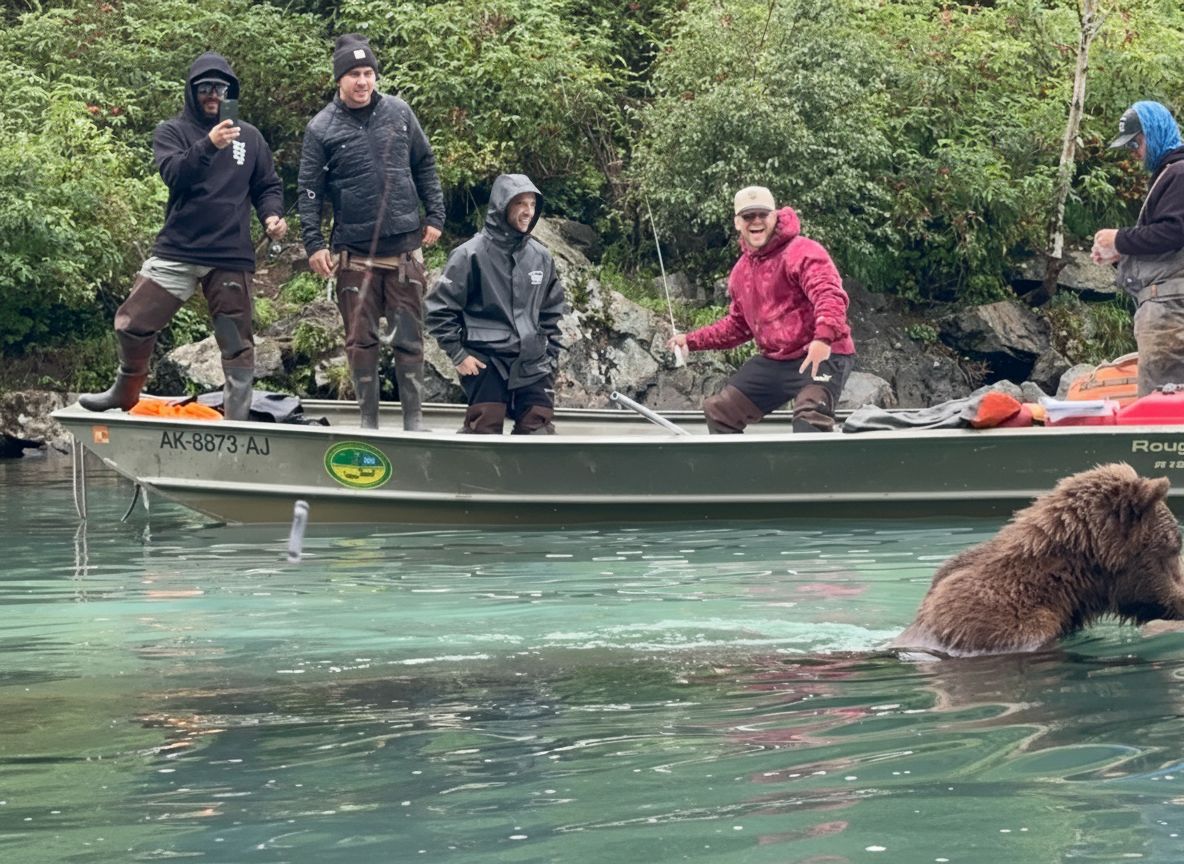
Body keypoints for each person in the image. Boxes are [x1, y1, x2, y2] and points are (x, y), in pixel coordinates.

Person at [80, 52, 287, 419]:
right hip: (179, 248)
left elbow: (267, 185)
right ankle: (125, 392)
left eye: (220, 88)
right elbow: (174, 173)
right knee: (131, 322)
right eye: (204, 87)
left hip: (229, 256)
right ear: (192, 92)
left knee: (236, 343)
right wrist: (209, 144)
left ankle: (238, 421)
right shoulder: (171, 131)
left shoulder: (251, 138)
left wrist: (272, 215)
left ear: (230, 92)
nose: (213, 94)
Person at [298, 33, 445, 430]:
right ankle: (368, 422)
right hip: (353, 256)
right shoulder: (321, 128)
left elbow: (425, 163)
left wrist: (435, 215)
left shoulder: (399, 112)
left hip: (404, 251)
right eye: (354, 74)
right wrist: (313, 243)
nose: (363, 81)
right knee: (360, 342)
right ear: (339, 79)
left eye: (368, 73)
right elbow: (309, 190)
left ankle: (414, 421)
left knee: (410, 340)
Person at [668, 186, 855, 433]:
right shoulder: (740, 272)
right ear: (738, 223)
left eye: (762, 215)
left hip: (822, 354)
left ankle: (815, 466)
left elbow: (829, 295)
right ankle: (740, 471)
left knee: (809, 417)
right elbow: (737, 327)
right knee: (719, 411)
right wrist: (690, 341)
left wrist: (823, 338)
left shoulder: (803, 251)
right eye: (748, 216)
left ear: (775, 216)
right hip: (777, 361)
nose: (756, 221)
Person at [425, 174, 564, 434]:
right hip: (485, 361)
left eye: (532, 204)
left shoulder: (541, 257)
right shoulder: (469, 254)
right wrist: (458, 354)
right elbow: (437, 309)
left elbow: (552, 312)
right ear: (502, 206)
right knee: (484, 428)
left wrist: (551, 357)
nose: (528, 211)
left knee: (540, 430)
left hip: (533, 363)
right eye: (520, 203)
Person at [1092, 101, 1184, 397]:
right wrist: (1121, 254)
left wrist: (1119, 239)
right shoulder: (1170, 173)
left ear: (1154, 133)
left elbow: (1175, 230)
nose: (1133, 152)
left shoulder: (1179, 173)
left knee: (1162, 408)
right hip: (1166, 307)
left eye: (1135, 142)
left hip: (1170, 311)